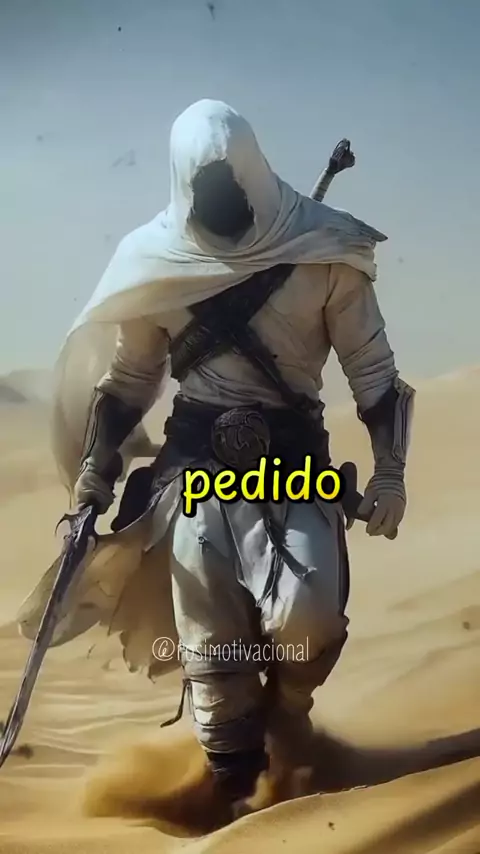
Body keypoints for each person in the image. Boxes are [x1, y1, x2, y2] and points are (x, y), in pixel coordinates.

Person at [49, 99, 415, 811]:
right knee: (214, 659)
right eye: (204, 186)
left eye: (229, 181)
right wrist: (96, 470)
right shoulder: (158, 265)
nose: (219, 198)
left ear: (253, 169)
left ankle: (290, 719)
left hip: (296, 469)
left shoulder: (323, 248)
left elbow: (373, 372)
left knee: (309, 623)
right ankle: (232, 799)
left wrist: (391, 472)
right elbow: (128, 383)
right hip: (195, 476)